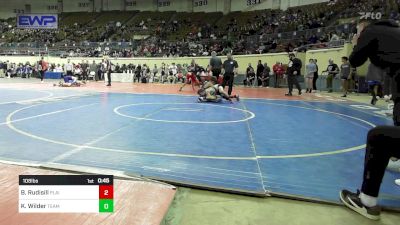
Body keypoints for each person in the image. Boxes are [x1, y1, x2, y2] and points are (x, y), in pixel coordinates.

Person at [340, 18, 400, 220]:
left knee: (379, 138)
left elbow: (355, 59)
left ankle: (366, 201)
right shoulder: (394, 33)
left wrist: (359, 39)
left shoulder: (371, 31)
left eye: (357, 32)